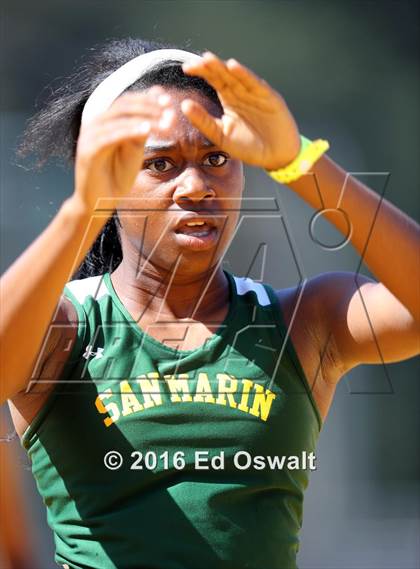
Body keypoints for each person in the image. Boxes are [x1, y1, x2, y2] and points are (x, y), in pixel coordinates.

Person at [0, 37, 418, 569]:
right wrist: (82, 208)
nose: (196, 185)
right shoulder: (66, 328)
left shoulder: (302, 321)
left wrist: (298, 163)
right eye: (160, 164)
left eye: (217, 157)